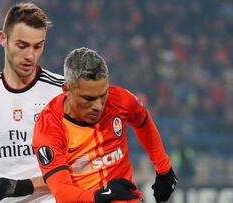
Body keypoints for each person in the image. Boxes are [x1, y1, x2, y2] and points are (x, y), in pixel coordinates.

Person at [33, 47, 177, 203]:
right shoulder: (49, 127)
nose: (98, 106)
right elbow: (62, 193)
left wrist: (164, 168)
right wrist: (99, 196)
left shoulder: (120, 100)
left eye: (103, 95)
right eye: (89, 98)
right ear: (67, 90)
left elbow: (142, 120)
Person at [0, 3, 64, 203]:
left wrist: (21, 187)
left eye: (38, 46)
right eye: (22, 45)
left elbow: (81, 166)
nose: (30, 56)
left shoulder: (62, 93)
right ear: (3, 39)